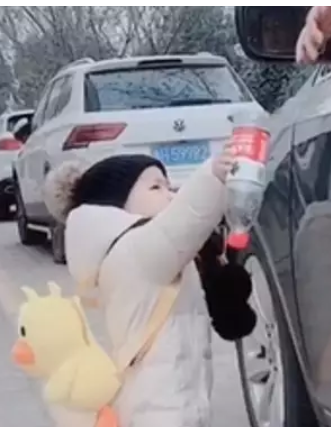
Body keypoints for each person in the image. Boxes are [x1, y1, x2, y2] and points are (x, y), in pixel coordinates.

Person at [41, 140, 252, 427]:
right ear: (116, 204)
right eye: (155, 187)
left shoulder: (142, 251)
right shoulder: (135, 252)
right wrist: (213, 176)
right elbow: (185, 221)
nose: (170, 195)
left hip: (173, 405)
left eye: (169, 186)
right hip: (158, 412)